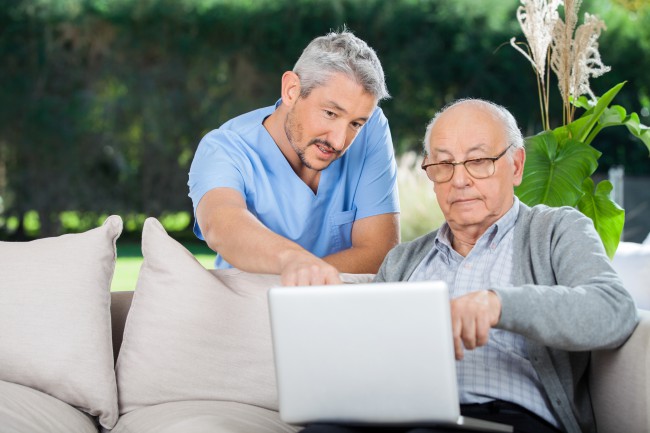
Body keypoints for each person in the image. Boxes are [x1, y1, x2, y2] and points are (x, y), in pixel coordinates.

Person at [301, 99, 639, 433]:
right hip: (399, 413)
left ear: (517, 166)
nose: (459, 180)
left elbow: (613, 310)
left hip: (506, 416)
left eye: (478, 161)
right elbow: (367, 353)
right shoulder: (403, 260)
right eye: (444, 165)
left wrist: (498, 304)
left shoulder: (555, 231)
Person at [188, 30, 400, 286]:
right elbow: (221, 223)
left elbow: (379, 254)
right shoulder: (223, 148)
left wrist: (299, 279)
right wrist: (292, 261)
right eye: (330, 113)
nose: (339, 141)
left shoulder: (372, 127)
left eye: (355, 123)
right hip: (252, 308)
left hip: (339, 309)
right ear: (291, 90)